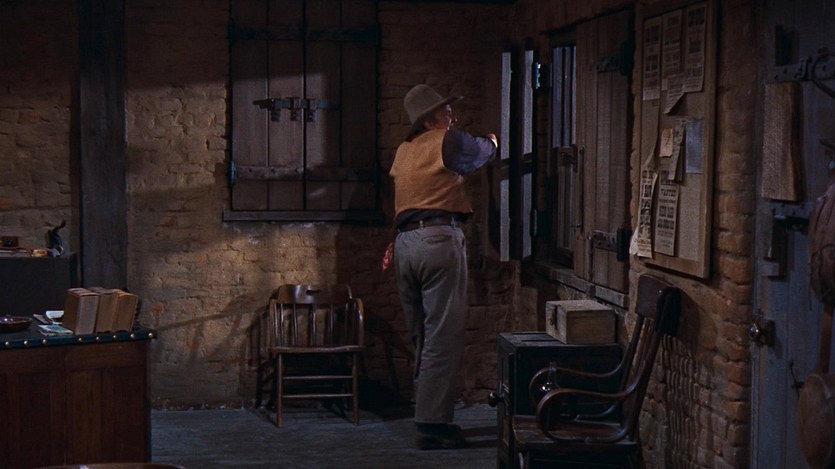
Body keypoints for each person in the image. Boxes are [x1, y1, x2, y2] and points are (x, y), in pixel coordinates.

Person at [389, 84, 497, 450]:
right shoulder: (446, 141)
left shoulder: (404, 150)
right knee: (441, 335)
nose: (451, 116)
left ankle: (425, 410)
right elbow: (479, 151)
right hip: (437, 240)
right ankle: (432, 423)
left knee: (421, 334)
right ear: (428, 120)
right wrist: (493, 142)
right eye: (444, 112)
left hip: (405, 244)